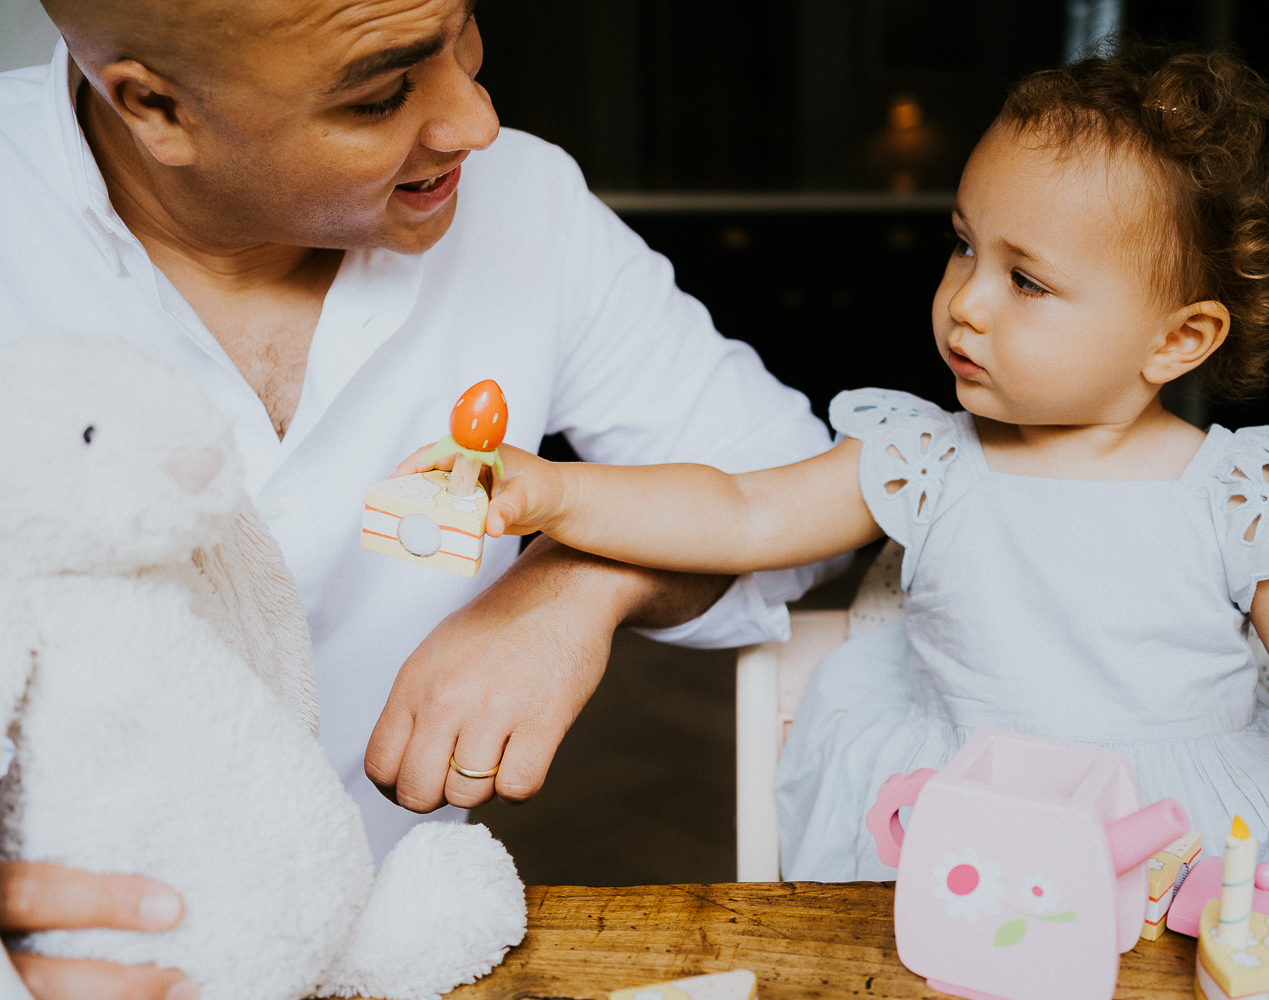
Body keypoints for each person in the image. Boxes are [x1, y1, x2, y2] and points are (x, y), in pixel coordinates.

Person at [439, 42, 1269, 879]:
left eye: (1028, 280)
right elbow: (741, 514)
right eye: (964, 244)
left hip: (1181, 845)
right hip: (969, 836)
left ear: (1178, 341)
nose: (964, 299)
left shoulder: (1236, 493)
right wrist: (560, 492)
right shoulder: (925, 457)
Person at [0, 1, 838, 996]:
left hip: (404, 951)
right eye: (382, 93)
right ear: (155, 108)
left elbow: (789, 487)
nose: (475, 119)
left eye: (464, 34)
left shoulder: (525, 200)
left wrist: (574, 580)